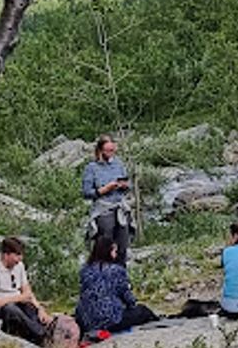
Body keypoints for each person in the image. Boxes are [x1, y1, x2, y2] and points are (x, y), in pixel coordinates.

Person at [75, 236, 158, 334]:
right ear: (108, 252)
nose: (115, 254)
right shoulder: (116, 270)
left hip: (86, 321)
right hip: (110, 320)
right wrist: (132, 305)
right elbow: (127, 296)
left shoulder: (85, 270)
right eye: (114, 251)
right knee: (143, 311)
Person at [0, 236, 53, 345]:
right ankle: (41, 333)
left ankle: (42, 331)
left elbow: (26, 290)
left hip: (18, 302)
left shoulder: (19, 266)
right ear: (6, 255)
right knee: (11, 309)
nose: (20, 259)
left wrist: (39, 308)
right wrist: (18, 297)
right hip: (1, 307)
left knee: (29, 307)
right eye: (17, 255)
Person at [82, 134, 133, 265]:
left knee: (122, 245)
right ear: (100, 151)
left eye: (113, 150)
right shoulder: (91, 168)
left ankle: (121, 277)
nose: (112, 153)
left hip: (120, 207)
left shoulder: (119, 164)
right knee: (105, 246)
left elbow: (128, 185)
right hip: (103, 209)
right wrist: (104, 189)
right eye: (108, 151)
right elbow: (86, 192)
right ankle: (103, 275)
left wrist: (124, 186)